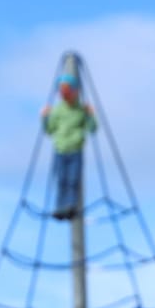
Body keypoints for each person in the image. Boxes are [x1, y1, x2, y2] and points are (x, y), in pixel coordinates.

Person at [40, 74, 98, 220]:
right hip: (60, 149)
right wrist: (44, 117)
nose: (65, 94)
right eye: (62, 91)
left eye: (68, 90)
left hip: (75, 150)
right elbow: (49, 130)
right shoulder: (58, 110)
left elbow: (92, 128)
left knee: (72, 179)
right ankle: (60, 207)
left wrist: (90, 115)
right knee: (61, 179)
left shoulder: (81, 110)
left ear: (75, 91)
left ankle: (70, 205)